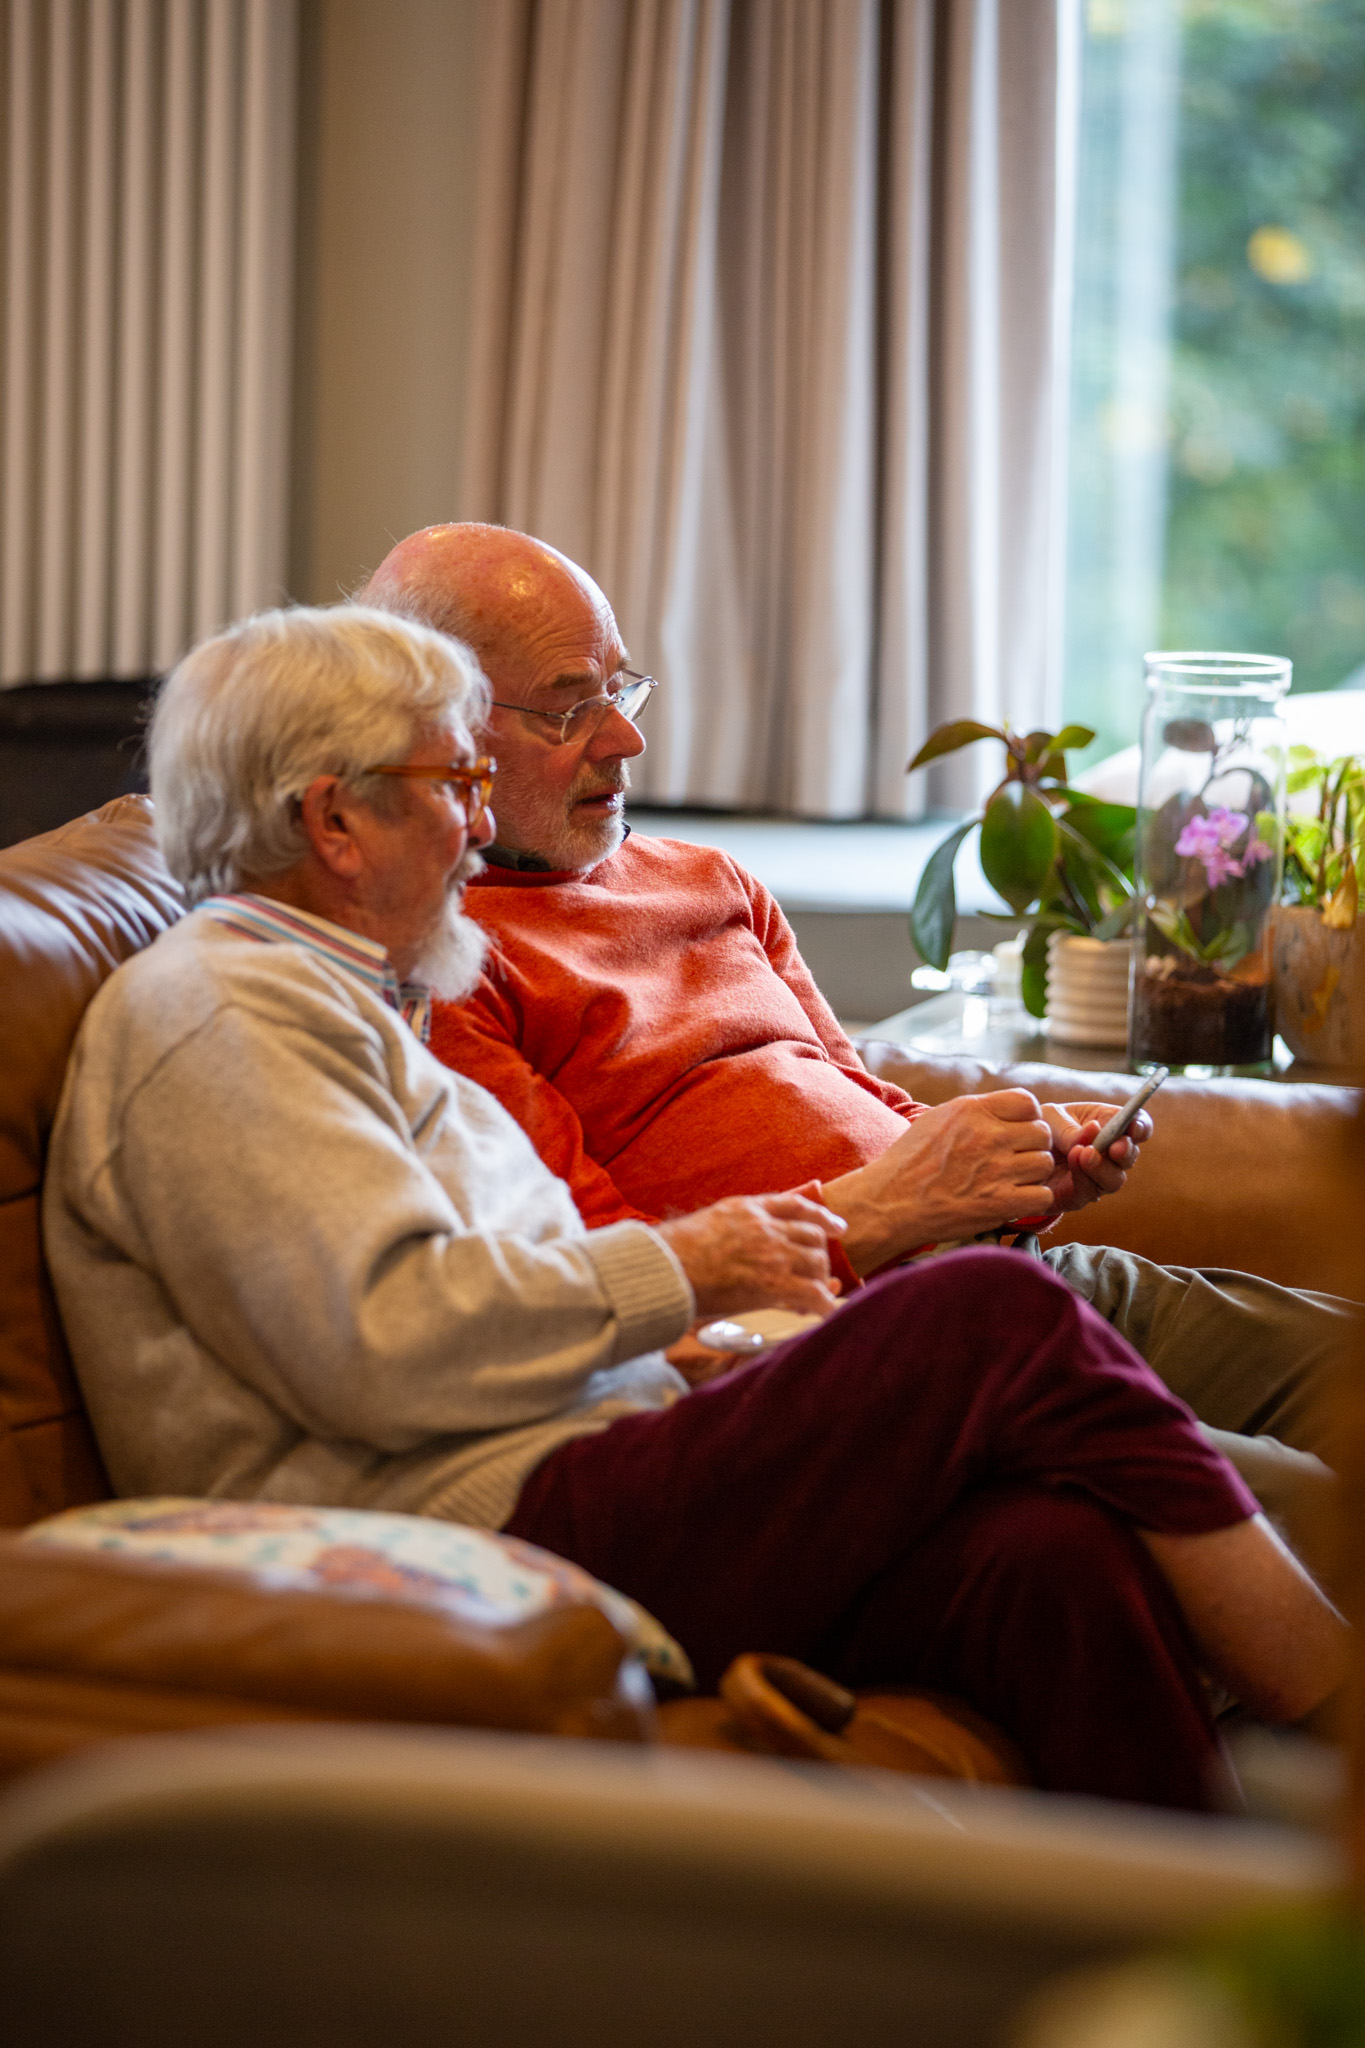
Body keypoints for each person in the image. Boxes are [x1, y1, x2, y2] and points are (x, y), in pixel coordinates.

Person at [43, 604, 1346, 1811]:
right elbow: (379, 1343)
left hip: (588, 1461)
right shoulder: (222, 1013)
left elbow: (492, 1302)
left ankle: (1208, 1950)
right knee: (989, 1316)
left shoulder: (346, 1007)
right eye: (457, 786)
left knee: (1046, 1559)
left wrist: (707, 1347)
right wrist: (688, 1263)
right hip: (470, 1523)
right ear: (335, 823)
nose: (477, 829)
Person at [359, 523, 1349, 1498]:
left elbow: (863, 1097)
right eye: (569, 709)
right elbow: (614, 1281)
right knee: (1311, 1508)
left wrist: (1016, 1177)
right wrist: (896, 1207)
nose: (629, 738)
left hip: (1034, 1272)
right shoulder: (442, 967)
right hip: (859, 1349)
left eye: (620, 687)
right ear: (442, 730)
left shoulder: (713, 880)